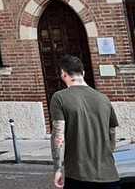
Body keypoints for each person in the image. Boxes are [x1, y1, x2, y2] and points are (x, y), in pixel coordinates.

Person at [51, 55, 119, 189]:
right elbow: (112, 136)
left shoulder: (59, 98)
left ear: (63, 73)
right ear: (83, 73)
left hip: (78, 176)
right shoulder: (104, 99)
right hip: (109, 176)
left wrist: (58, 169)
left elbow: (58, 137)